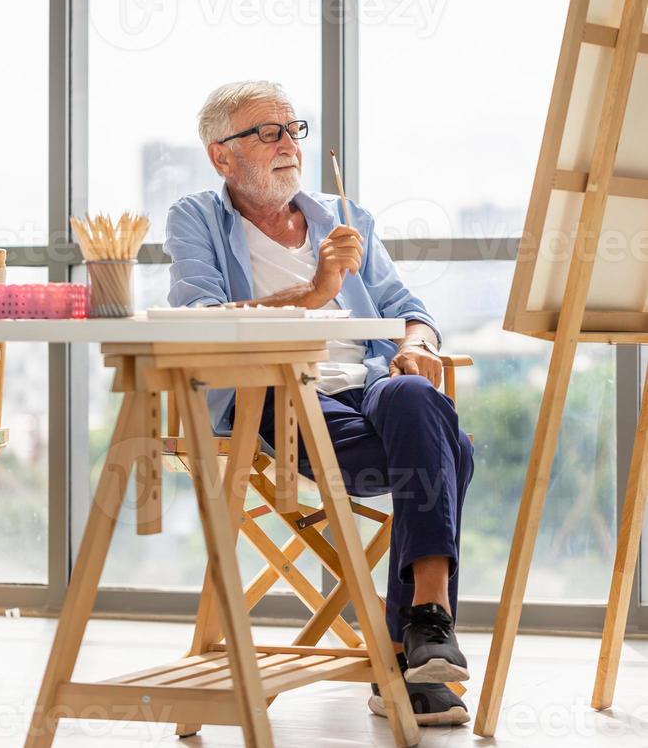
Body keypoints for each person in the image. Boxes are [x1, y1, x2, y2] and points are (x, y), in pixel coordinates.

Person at [164, 80, 475, 727]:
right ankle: (409, 654)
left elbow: (409, 311)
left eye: (292, 128)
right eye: (267, 132)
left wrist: (415, 345)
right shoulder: (196, 219)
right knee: (452, 447)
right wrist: (315, 291)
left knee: (417, 394)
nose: (288, 144)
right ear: (222, 156)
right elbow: (198, 319)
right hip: (277, 397)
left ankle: (425, 618)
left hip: (370, 388)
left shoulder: (343, 216)